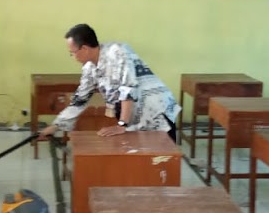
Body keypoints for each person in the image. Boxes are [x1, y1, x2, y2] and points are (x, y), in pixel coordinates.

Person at [38, 24, 180, 140]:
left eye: (72, 52)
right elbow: (80, 100)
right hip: (133, 116)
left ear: (85, 48)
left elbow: (128, 89)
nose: (72, 56)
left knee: (163, 161)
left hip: (156, 110)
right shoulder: (89, 68)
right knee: (141, 163)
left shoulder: (117, 52)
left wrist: (121, 124)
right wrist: (56, 126)